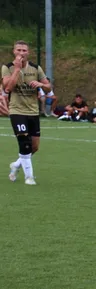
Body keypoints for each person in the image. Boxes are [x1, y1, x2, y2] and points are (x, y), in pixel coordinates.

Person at [2, 40, 51, 185]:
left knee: (34, 147)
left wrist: (42, 84)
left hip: (33, 111)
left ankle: (16, 165)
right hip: (17, 111)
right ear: (14, 51)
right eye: (19, 50)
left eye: (24, 50)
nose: (21, 53)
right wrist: (17, 70)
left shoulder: (36, 68)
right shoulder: (8, 67)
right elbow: (8, 88)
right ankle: (29, 177)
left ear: (28, 53)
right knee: (24, 142)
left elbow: (49, 88)